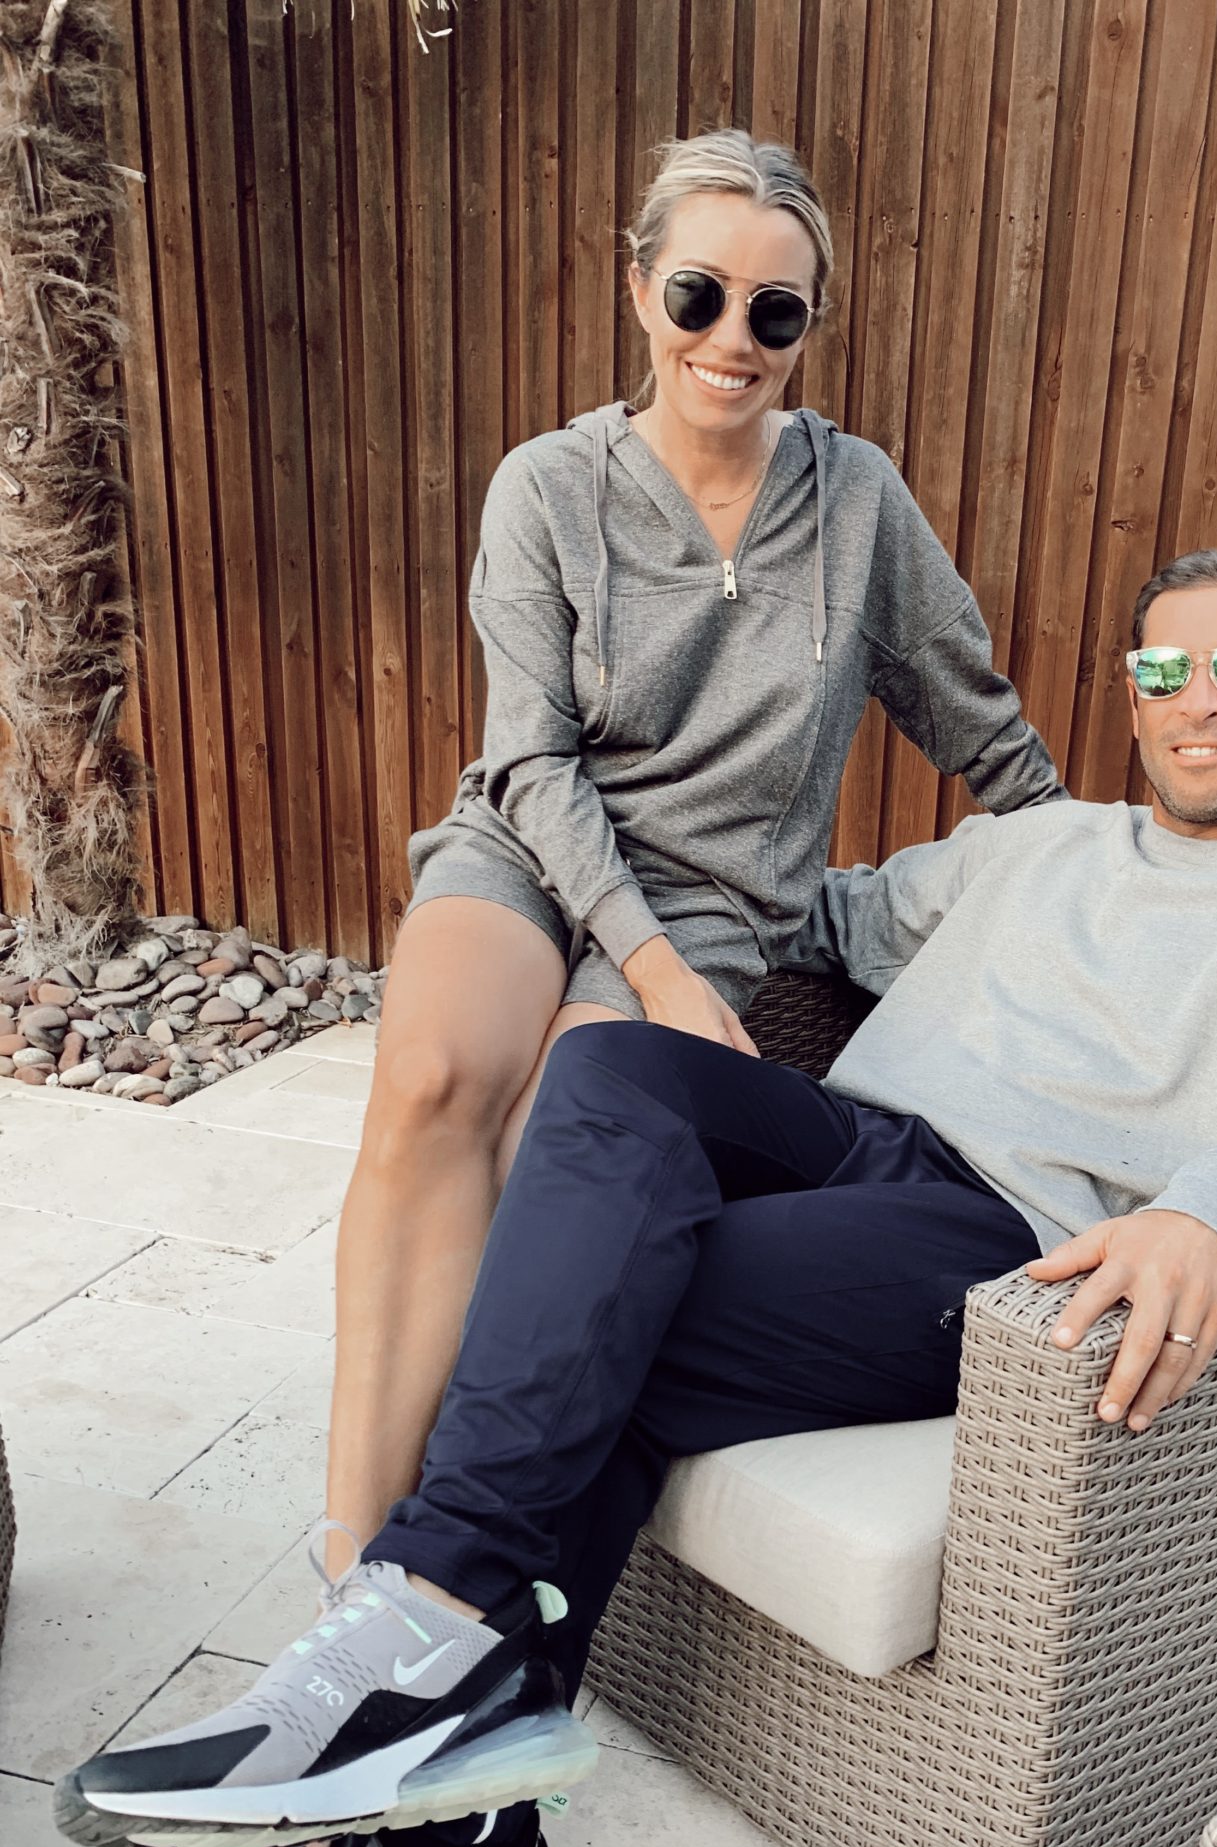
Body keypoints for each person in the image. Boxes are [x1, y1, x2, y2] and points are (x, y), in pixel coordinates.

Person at [59, 551, 1217, 1847]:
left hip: (1002, 1231)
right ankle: (445, 1723)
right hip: (848, 1137)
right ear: (1134, 696)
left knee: (600, 1304)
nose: (1200, 704)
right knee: (608, 1064)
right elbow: (818, 914)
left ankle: (439, 1730)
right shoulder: (1034, 846)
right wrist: (587, 907)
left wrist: (1214, 1212)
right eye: (1167, 672)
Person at [329, 127, 1065, 1591]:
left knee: (557, 1151)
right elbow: (529, 756)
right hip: (531, 845)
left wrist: (1100, 871)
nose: (732, 340)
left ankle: (451, 1543)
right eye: (698, 295)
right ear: (639, 290)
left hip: (720, 895)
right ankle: (351, 1558)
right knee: (431, 1078)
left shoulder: (858, 503)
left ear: (808, 326)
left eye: (773, 311)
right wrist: (648, 966)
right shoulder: (547, 485)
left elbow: (972, 714)